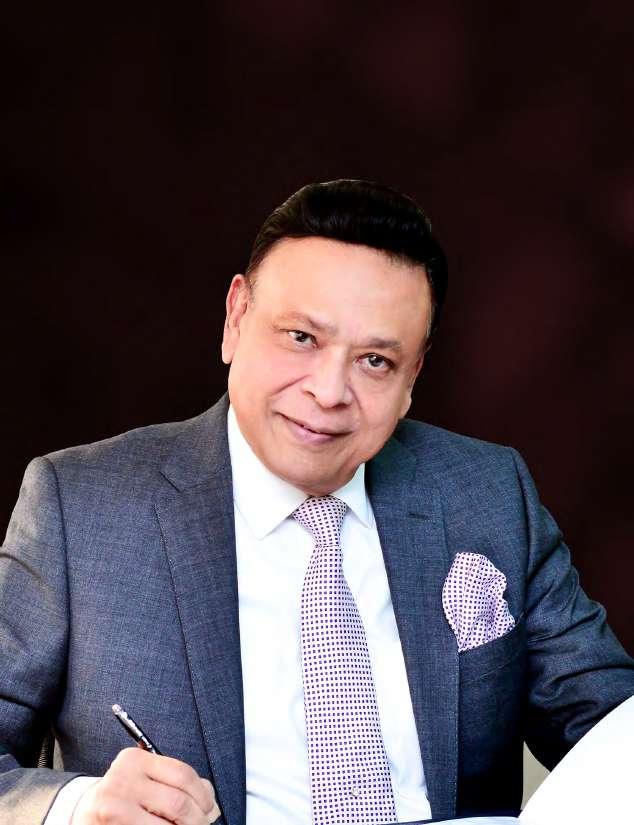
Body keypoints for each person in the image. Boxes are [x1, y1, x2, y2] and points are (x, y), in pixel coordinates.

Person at [0, 179, 632, 825]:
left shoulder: (487, 493)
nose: (329, 392)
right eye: (301, 337)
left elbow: (612, 725)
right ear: (236, 319)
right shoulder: (81, 507)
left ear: (413, 377)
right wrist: (77, 805)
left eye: (375, 361)